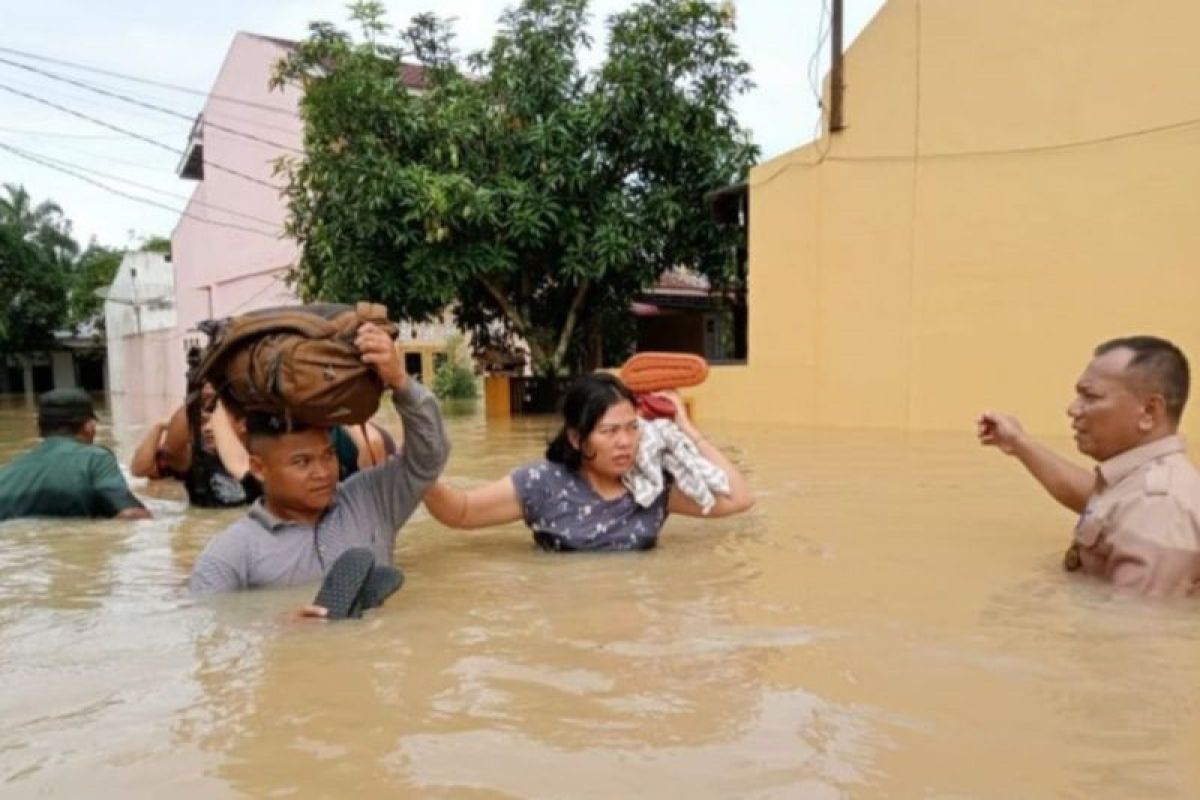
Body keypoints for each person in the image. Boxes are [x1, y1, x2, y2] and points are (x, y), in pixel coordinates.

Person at [188, 322, 449, 595]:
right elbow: (210, 623)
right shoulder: (230, 554)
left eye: (328, 455)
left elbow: (428, 458)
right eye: (302, 462)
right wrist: (277, 621)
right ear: (259, 468)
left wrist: (401, 383)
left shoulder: (371, 501)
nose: (323, 472)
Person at [422, 372, 754, 550]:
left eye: (632, 428)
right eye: (609, 431)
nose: (625, 442)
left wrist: (686, 428)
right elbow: (461, 512)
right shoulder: (543, 484)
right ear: (577, 438)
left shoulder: (652, 486)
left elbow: (739, 498)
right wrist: (413, 470)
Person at [978, 335, 1200, 597]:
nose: (1073, 409)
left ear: (1149, 411)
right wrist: (1018, 443)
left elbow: (1138, 628)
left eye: (1090, 397)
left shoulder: (1158, 507)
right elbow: (1099, 502)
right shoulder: (1139, 486)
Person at [131, 382, 398, 508]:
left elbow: (374, 451)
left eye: (220, 417)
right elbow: (160, 458)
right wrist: (169, 420)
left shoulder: (276, 459)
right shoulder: (201, 460)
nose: (211, 426)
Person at [0, 388, 151, 521]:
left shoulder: (7, 473)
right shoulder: (96, 459)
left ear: (39, 428)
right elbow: (133, 515)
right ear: (89, 427)